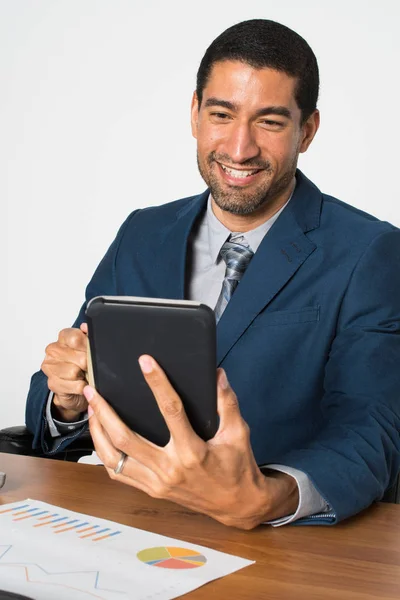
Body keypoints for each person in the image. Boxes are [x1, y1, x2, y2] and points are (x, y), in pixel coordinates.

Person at [26, 19, 400, 529]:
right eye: (222, 114)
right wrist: (67, 400)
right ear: (195, 113)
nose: (240, 148)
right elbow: (57, 414)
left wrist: (265, 498)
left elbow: (370, 431)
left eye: (269, 122)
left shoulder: (369, 251)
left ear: (307, 131)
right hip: (135, 524)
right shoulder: (142, 232)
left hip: (277, 544)